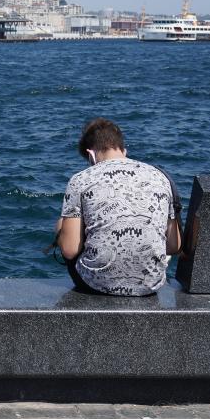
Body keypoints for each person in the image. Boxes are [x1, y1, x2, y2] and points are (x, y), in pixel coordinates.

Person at [54, 118, 182, 296]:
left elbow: (69, 250)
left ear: (90, 154)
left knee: (63, 224)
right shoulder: (161, 177)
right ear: (124, 150)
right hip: (150, 285)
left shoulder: (80, 180)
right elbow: (174, 246)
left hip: (96, 285)